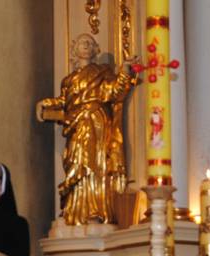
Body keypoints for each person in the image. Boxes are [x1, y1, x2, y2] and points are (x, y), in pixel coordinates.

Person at [36, 33, 136, 225]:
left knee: (95, 164)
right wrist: (44, 103)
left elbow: (115, 91)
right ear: (74, 49)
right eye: (82, 42)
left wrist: (124, 70)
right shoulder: (68, 80)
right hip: (77, 124)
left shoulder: (102, 72)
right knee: (77, 162)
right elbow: (63, 101)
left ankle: (95, 210)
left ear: (95, 49)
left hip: (96, 121)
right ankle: (75, 212)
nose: (86, 45)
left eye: (90, 43)